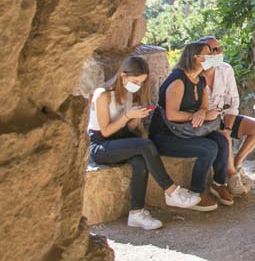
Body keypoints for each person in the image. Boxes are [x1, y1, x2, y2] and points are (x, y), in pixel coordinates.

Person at [87, 54, 203, 230]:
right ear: (123, 76)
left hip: (121, 140)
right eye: (136, 81)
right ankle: (171, 191)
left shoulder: (129, 94)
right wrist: (128, 116)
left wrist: (136, 119)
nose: (138, 86)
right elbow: (105, 131)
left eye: (141, 82)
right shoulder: (102, 95)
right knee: (145, 145)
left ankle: (136, 213)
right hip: (101, 145)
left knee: (140, 160)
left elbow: (127, 127)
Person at [150, 40, 231, 209]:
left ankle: (219, 183)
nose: (212, 56)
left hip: (187, 130)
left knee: (221, 140)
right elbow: (172, 114)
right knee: (209, 148)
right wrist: (196, 115)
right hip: (167, 135)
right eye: (207, 54)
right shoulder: (178, 81)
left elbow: (203, 106)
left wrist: (202, 112)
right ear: (195, 58)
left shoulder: (199, 79)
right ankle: (196, 194)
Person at [193, 36, 255, 191]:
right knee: (225, 137)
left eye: (220, 47)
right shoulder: (193, 76)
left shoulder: (225, 69)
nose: (221, 52)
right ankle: (232, 177)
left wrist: (227, 129)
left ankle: (237, 164)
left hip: (224, 118)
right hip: (205, 123)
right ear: (203, 54)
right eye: (215, 49)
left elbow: (233, 105)